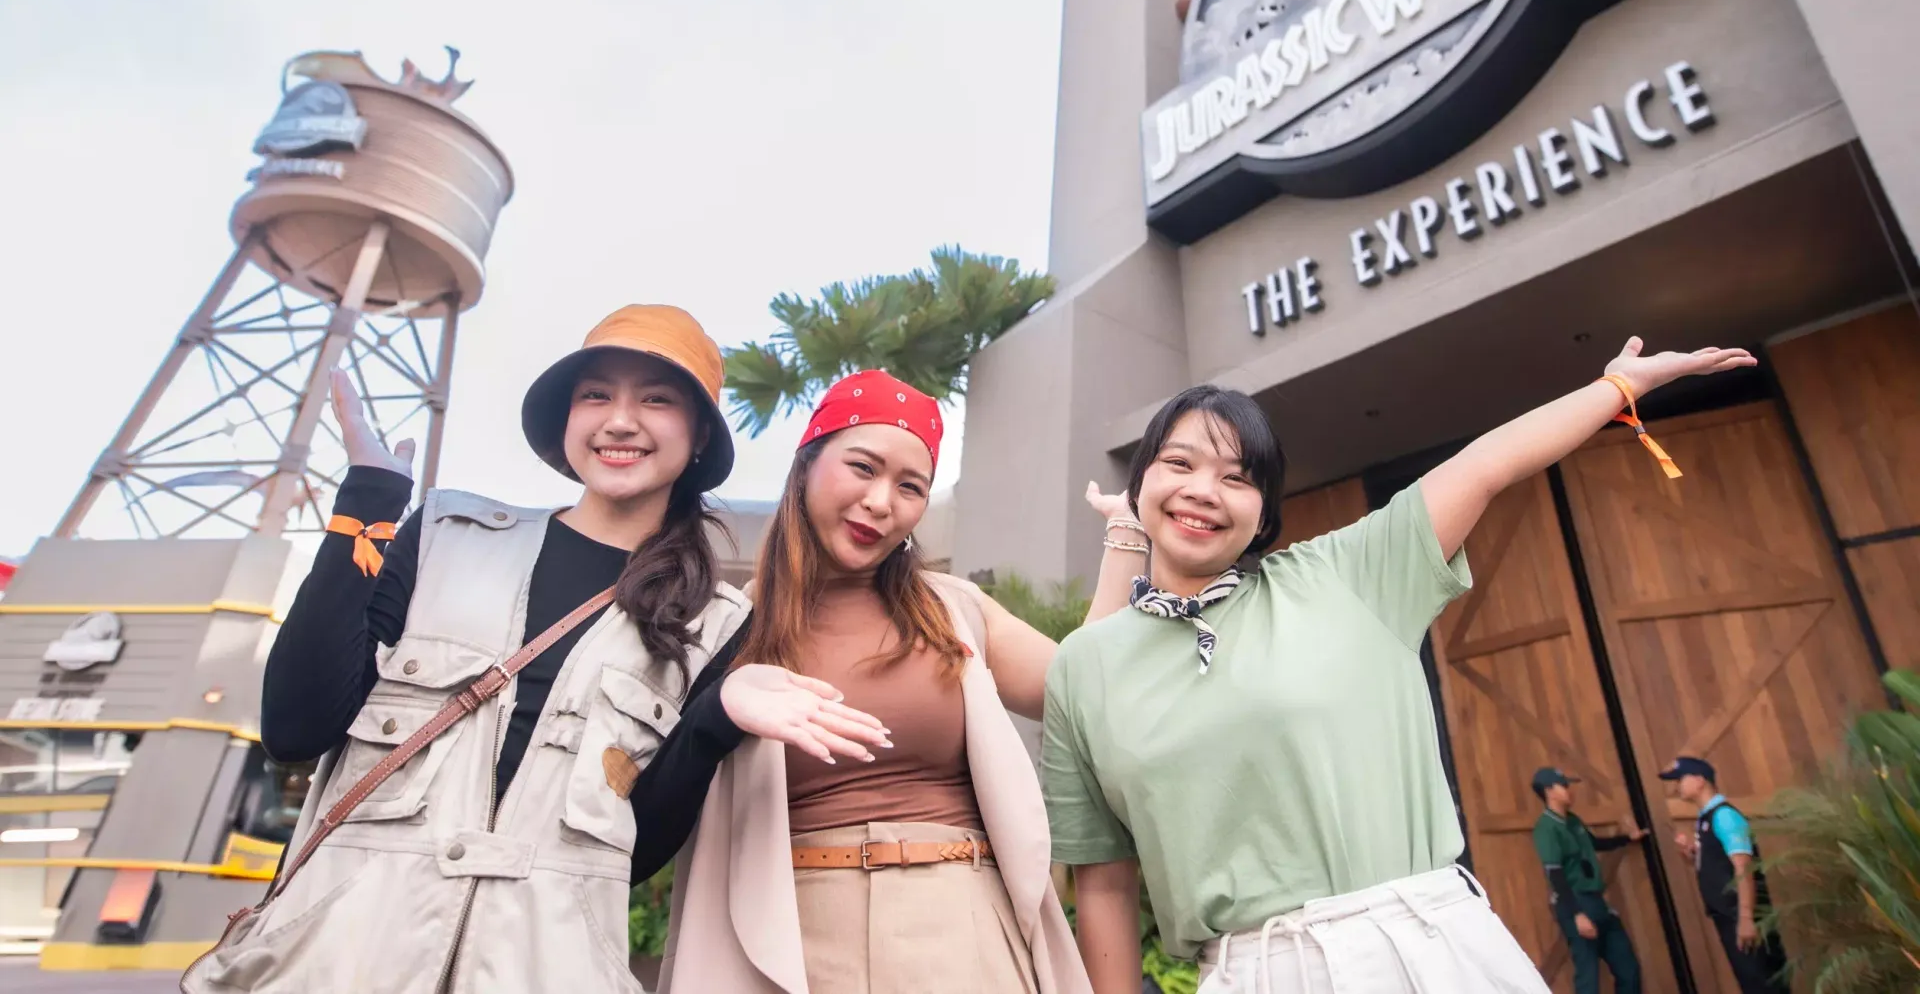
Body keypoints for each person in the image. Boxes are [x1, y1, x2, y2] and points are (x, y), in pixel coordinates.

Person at [194, 305, 888, 993]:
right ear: (567, 418)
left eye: (656, 399)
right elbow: (295, 729)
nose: (621, 420)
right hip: (338, 963)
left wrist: (714, 720)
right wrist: (367, 506)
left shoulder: (713, 623)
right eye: (596, 395)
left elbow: (633, 853)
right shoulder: (444, 537)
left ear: (699, 433)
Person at [1043, 337, 1754, 994]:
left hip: (1426, 946)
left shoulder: (1345, 575)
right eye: (1179, 464)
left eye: (1237, 476)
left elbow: (1486, 465)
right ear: (1139, 483)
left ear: (1263, 513)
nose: (1204, 489)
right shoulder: (1083, 667)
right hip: (1251, 972)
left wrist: (1620, 386)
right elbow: (1103, 879)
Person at [643, 369, 1127, 994]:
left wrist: (1127, 537)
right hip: (792, 943)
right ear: (806, 465)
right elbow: (650, 807)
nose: (881, 502)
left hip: (964, 929)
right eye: (862, 467)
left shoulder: (955, 610)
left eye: (910, 486)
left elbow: (1089, 690)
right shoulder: (727, 629)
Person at [1663, 756, 1788, 992]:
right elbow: (1717, 864)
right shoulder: (1705, 819)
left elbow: (1743, 867)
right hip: (1727, 915)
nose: (1677, 785)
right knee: (1751, 982)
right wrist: (1691, 853)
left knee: (1763, 982)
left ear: (1700, 780)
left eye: (1680, 779)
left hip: (1741, 914)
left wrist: (1746, 918)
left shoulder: (1724, 816)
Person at [1530, 766, 1648, 994]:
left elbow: (1595, 844)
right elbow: (1555, 874)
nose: (1570, 790)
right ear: (1549, 791)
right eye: (1564, 785)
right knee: (1588, 976)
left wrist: (1627, 839)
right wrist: (1577, 914)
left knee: (1628, 969)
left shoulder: (1574, 821)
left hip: (1597, 901)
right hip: (1575, 902)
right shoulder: (1546, 828)